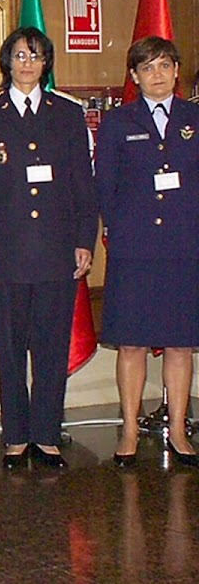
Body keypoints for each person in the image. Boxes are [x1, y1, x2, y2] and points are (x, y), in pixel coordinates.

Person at [0, 27, 97, 471]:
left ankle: (46, 433)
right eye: (19, 55)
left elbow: (83, 184)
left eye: (36, 56)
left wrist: (84, 240)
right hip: (4, 255)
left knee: (51, 348)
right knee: (10, 349)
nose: (27, 63)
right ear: (7, 62)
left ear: (46, 64)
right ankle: (16, 436)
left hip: (58, 252)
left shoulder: (66, 114)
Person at [95, 36, 199, 468]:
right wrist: (115, 230)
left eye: (163, 65)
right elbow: (105, 183)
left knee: (180, 343)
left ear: (176, 71)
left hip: (184, 245)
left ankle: (177, 429)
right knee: (132, 343)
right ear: (134, 77)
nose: (156, 74)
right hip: (134, 247)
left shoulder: (195, 118)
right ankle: (129, 429)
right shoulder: (119, 122)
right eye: (146, 67)